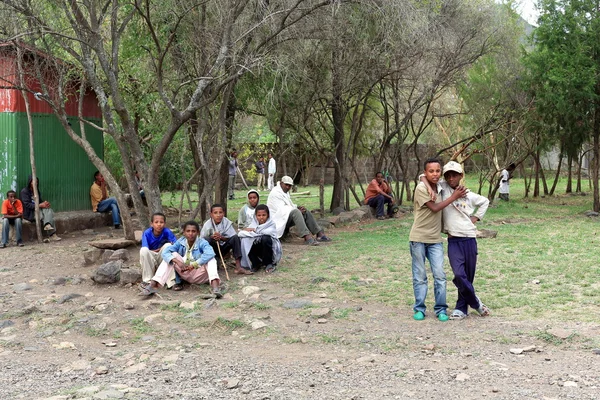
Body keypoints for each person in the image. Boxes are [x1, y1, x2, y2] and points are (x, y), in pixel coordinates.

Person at [431, 161, 491, 320]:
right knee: (459, 275)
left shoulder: (468, 194)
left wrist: (476, 217)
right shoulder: (442, 189)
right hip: (453, 240)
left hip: (469, 238)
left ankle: (461, 308)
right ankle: (476, 303)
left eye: (454, 175)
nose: (451, 178)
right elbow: (424, 176)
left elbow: (485, 201)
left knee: (468, 276)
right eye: (448, 175)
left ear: (461, 176)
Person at [409, 158, 467, 322]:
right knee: (420, 276)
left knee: (440, 275)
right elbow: (435, 208)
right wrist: (453, 197)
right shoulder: (421, 188)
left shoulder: (441, 186)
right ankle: (419, 308)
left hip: (435, 239)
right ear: (426, 172)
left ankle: (441, 309)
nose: (434, 174)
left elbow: (424, 176)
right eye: (431, 171)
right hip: (418, 238)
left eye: (437, 171)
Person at [140, 221, 223, 298]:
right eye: (188, 231)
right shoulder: (180, 242)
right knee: (172, 255)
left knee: (211, 259)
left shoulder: (202, 242)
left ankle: (215, 287)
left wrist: (193, 265)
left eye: (193, 231)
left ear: (198, 232)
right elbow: (165, 252)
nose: (190, 234)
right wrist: (177, 261)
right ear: (184, 232)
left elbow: (210, 253)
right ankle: (153, 285)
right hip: (185, 272)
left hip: (200, 275)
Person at [267, 175, 331, 246]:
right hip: (277, 219)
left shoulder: (284, 192)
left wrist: (298, 207)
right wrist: (296, 209)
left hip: (284, 216)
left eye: (289, 186)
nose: (288, 187)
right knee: (296, 212)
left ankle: (319, 234)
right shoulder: (275, 193)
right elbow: (281, 210)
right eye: (286, 185)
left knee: (304, 211)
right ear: (281, 183)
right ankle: (307, 237)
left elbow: (288, 205)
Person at [200, 204, 253, 275]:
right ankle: (209, 263)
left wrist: (221, 237)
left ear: (223, 213)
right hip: (213, 249)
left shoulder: (227, 222)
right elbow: (201, 241)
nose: (218, 215)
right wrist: (212, 238)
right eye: (215, 213)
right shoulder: (207, 225)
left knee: (235, 238)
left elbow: (231, 237)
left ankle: (238, 267)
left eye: (220, 212)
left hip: (224, 248)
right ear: (211, 214)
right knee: (207, 239)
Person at [238, 204, 282, 273]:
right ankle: (256, 263)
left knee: (265, 238)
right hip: (257, 250)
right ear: (255, 216)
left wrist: (255, 230)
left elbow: (269, 232)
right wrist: (248, 231)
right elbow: (240, 233)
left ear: (268, 215)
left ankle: (268, 263)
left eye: (264, 215)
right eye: (259, 215)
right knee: (246, 240)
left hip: (269, 249)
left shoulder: (271, 224)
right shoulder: (253, 224)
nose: (261, 217)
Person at [140, 212, 179, 289]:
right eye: (156, 222)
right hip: (151, 257)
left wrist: (166, 247)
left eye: (161, 222)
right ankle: (147, 281)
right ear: (152, 224)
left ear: (164, 224)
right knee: (143, 250)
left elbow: (176, 245)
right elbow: (146, 250)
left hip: (162, 257)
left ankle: (171, 282)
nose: (159, 224)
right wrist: (159, 249)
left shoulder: (167, 231)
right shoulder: (147, 233)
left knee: (169, 246)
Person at [20, 176, 61, 241]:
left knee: (48, 209)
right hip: (30, 213)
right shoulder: (24, 191)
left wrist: (45, 203)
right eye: (33, 182)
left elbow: (40, 201)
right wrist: (39, 205)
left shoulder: (37, 191)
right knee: (47, 216)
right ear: (29, 182)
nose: (35, 183)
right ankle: (51, 232)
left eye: (36, 182)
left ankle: (48, 226)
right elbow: (27, 205)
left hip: (39, 210)